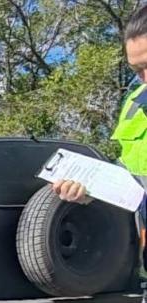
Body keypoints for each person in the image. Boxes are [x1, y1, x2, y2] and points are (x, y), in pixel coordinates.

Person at [54, 6, 147, 204]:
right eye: (137, 69)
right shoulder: (135, 101)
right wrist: (89, 191)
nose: (144, 78)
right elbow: (130, 175)